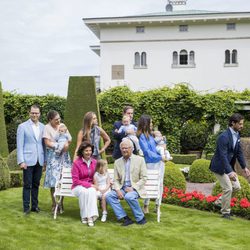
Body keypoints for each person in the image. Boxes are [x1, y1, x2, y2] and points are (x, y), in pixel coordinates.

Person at [210, 113, 250, 220]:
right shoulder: (223, 137)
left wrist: (244, 167)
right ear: (233, 123)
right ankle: (225, 212)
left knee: (237, 187)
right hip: (219, 167)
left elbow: (239, 153)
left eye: (242, 124)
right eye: (240, 124)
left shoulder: (237, 135)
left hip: (228, 167)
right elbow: (222, 156)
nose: (242, 126)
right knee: (228, 188)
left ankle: (218, 202)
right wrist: (230, 172)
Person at [106, 139, 147, 226]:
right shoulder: (117, 162)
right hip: (122, 187)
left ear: (132, 148)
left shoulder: (140, 160)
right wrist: (117, 190)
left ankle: (140, 218)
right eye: (122, 148)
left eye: (126, 148)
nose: (124, 150)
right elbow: (116, 179)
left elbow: (144, 178)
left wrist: (133, 188)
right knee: (109, 196)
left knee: (129, 196)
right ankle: (125, 218)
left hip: (135, 188)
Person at [17, 104, 46, 215]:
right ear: (29, 113)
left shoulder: (43, 127)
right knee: (27, 185)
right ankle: (26, 207)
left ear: (39, 114)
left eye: (36, 113)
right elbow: (20, 145)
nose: (34, 115)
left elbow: (44, 145)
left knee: (36, 184)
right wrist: (21, 161)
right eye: (32, 113)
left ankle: (35, 206)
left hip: (39, 159)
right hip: (27, 160)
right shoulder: (22, 126)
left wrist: (45, 161)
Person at [43, 110, 72, 213]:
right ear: (50, 120)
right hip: (53, 156)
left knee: (63, 179)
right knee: (53, 180)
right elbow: (47, 142)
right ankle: (54, 203)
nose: (58, 121)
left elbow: (69, 139)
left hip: (64, 156)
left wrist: (65, 146)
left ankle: (61, 203)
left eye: (59, 118)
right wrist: (57, 146)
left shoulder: (63, 125)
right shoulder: (46, 128)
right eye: (56, 119)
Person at [137, 114, 166, 214]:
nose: (152, 124)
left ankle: (158, 206)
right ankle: (146, 205)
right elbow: (147, 152)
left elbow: (156, 148)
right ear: (146, 124)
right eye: (151, 122)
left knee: (160, 184)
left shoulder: (150, 136)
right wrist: (160, 157)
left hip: (159, 163)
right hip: (150, 163)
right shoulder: (142, 137)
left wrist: (163, 149)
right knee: (148, 184)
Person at [71, 142, 99, 227]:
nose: (89, 152)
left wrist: (95, 185)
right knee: (84, 192)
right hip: (77, 187)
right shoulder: (76, 163)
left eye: (90, 150)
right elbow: (75, 181)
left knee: (91, 191)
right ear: (82, 151)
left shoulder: (94, 162)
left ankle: (90, 217)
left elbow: (97, 175)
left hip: (90, 186)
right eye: (86, 150)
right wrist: (89, 185)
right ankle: (85, 217)